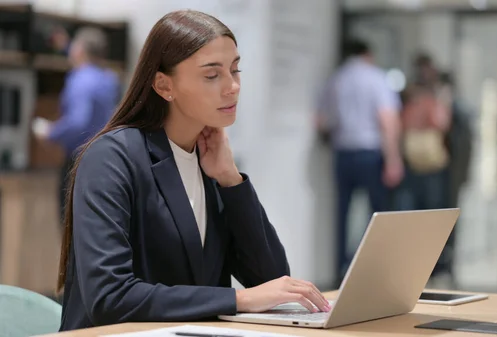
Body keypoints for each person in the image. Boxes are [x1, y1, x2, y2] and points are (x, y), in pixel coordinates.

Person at [57, 10, 330, 331]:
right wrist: (238, 300)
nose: (233, 87)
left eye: (235, 70)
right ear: (163, 84)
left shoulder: (210, 162)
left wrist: (232, 181)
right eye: (212, 76)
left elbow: (270, 280)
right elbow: (109, 296)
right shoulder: (112, 157)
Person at [316, 39, 402, 285]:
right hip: (370, 152)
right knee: (377, 215)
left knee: (342, 213)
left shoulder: (337, 79)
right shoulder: (376, 77)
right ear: (367, 54)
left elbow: (322, 121)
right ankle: (375, 272)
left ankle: (341, 270)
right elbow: (387, 118)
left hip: (343, 153)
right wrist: (393, 159)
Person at [36, 26, 120, 227]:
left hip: (78, 163)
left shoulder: (80, 80)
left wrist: (50, 132)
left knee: (71, 230)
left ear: (80, 50)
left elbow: (78, 122)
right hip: (106, 161)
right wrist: (66, 46)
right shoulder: (110, 80)